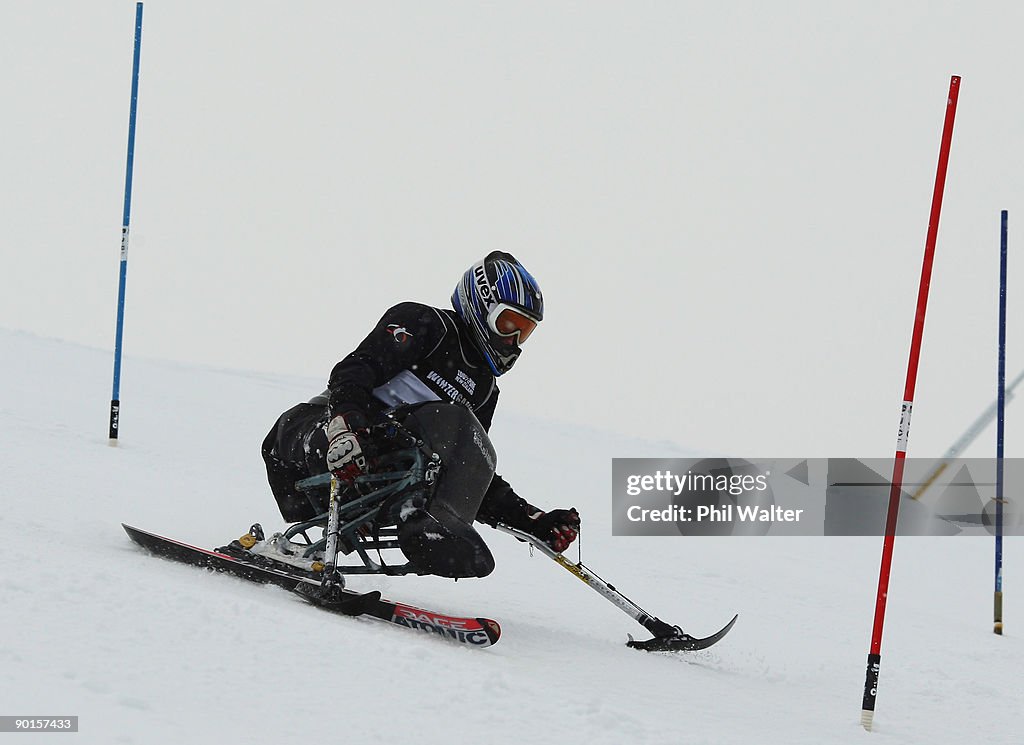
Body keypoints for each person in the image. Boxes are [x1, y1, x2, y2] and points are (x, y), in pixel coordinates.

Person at [261, 251, 580, 579]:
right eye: (508, 324)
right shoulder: (425, 325)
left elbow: (466, 471)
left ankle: (433, 529)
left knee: (463, 443)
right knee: (453, 423)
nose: (512, 341)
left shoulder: (484, 390)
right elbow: (354, 373)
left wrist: (531, 521)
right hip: (313, 439)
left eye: (523, 332)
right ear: (482, 305)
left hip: (383, 475)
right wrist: (347, 427)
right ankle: (426, 522)